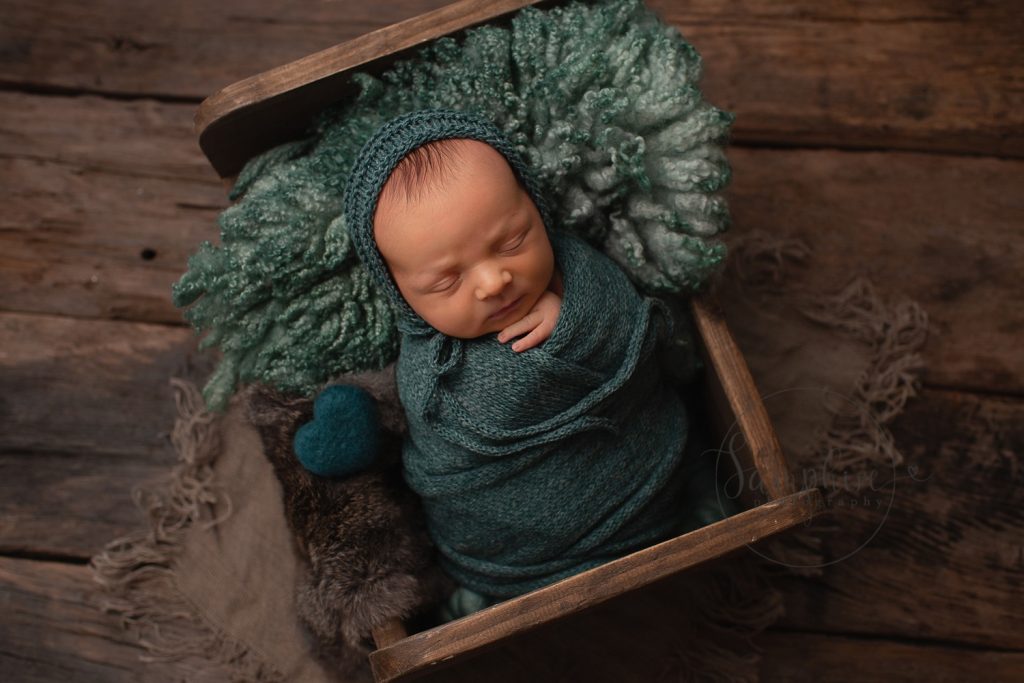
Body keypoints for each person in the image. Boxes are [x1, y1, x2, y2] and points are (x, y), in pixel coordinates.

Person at [344, 109, 728, 619]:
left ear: (537, 208)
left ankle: (691, 512)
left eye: (511, 243)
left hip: (646, 483)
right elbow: (442, 459)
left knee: (703, 486)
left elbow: (637, 330)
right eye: (446, 282)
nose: (493, 282)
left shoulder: (582, 275)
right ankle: (489, 595)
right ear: (399, 292)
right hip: (512, 556)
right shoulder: (429, 374)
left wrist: (575, 320)